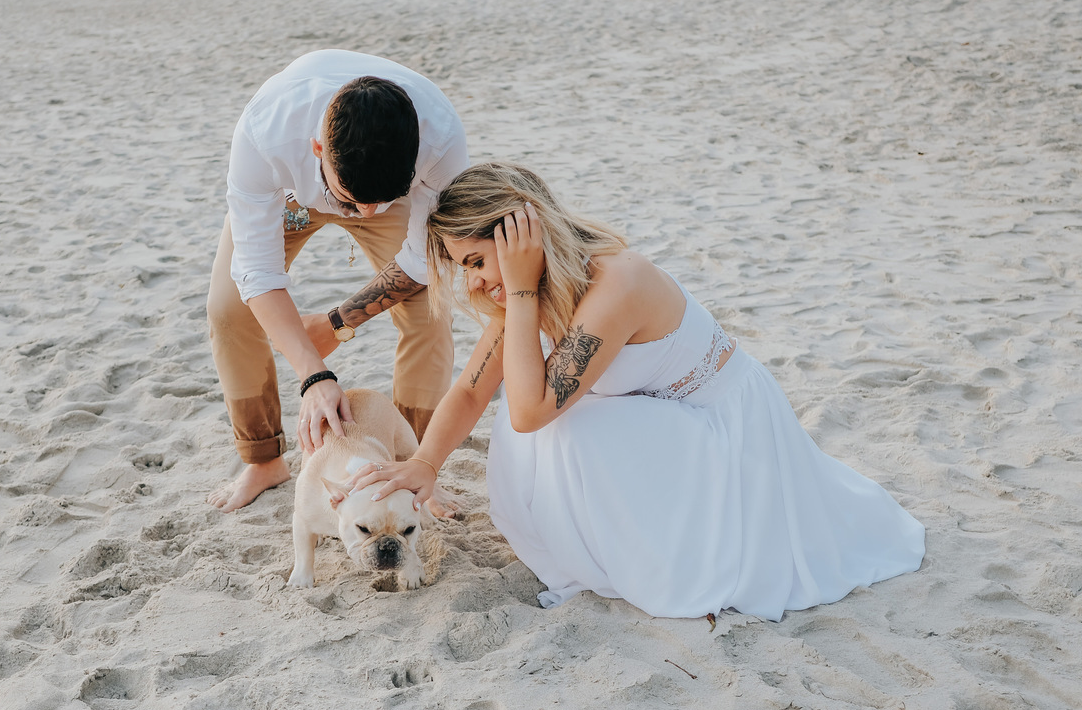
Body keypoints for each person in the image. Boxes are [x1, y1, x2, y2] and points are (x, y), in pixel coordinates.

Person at [348, 161, 926, 621]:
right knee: (544, 421)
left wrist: (519, 289)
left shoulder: (617, 282)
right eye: (464, 268)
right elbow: (473, 392)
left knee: (563, 424)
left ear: (520, 233)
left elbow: (528, 410)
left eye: (477, 261)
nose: (475, 281)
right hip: (666, 422)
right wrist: (426, 462)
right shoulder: (530, 289)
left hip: (728, 431)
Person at [205, 50, 468, 512]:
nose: (367, 213)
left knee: (430, 313)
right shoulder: (264, 133)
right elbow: (257, 272)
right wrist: (314, 374)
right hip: (293, 195)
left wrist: (336, 324)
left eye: (380, 201)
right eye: (353, 202)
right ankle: (264, 460)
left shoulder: (442, 140)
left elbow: (425, 261)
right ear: (317, 150)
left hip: (382, 186)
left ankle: (415, 465)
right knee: (227, 309)